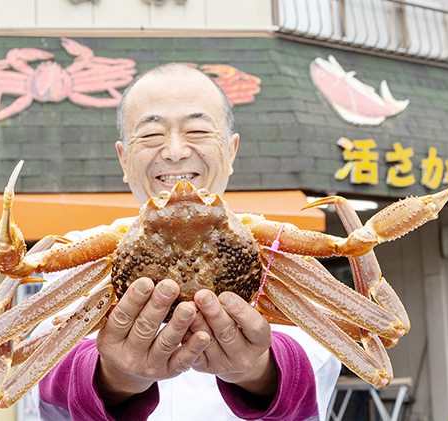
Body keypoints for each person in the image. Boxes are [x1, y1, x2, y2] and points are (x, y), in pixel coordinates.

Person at [30, 64, 341, 420]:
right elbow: (37, 375)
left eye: (196, 130)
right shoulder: (74, 258)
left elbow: (326, 359)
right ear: (124, 158)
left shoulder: (287, 255)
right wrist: (112, 379)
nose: (175, 151)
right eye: (150, 136)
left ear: (231, 151)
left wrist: (258, 371)